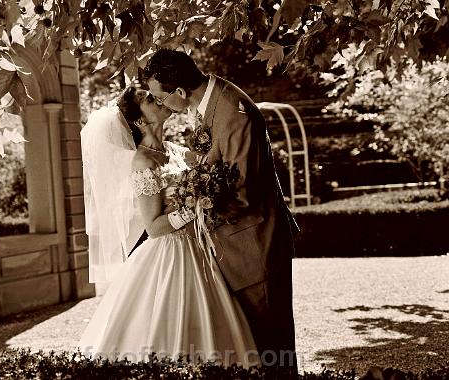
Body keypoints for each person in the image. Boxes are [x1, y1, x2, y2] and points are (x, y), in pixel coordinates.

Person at [78, 86, 259, 367]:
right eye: (151, 99)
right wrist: (194, 207)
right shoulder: (143, 161)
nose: (160, 99)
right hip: (169, 252)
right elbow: (153, 227)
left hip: (200, 246)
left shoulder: (177, 151)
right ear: (140, 120)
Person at [144, 49, 300, 372]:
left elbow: (242, 194)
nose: (161, 104)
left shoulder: (232, 112)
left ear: (180, 92)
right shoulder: (208, 103)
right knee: (250, 350)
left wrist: (188, 214)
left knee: (272, 348)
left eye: (161, 98)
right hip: (232, 246)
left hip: (254, 245)